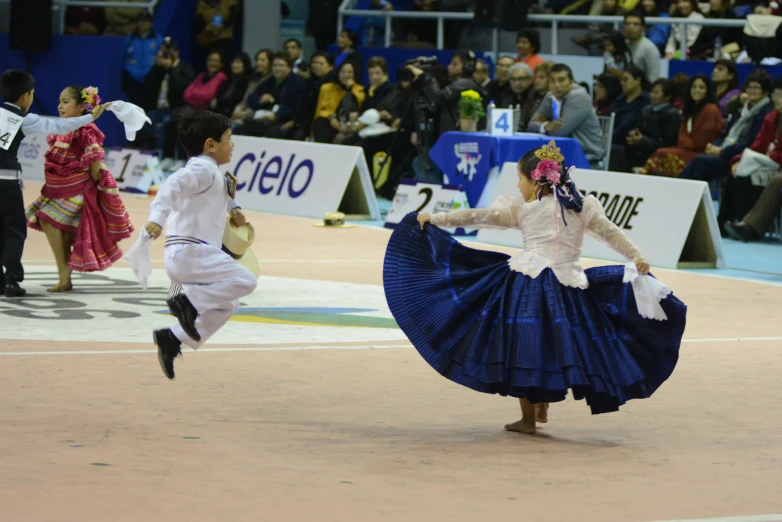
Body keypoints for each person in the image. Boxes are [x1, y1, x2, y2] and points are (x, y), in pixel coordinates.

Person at [383, 140, 686, 434]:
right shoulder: (581, 207)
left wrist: (435, 218)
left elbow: (477, 216)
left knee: (524, 346)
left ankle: (529, 416)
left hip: (527, 283)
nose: (517, 186)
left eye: (520, 179)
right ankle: (541, 403)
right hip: (568, 286)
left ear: (537, 182)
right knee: (556, 345)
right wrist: (636, 255)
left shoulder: (525, 209)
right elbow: (611, 233)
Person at [143, 109, 257, 379]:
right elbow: (171, 185)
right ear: (210, 145)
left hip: (186, 256)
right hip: (192, 252)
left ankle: (172, 338)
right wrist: (157, 218)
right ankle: (188, 302)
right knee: (246, 281)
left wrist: (234, 207)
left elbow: (219, 195)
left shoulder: (212, 172)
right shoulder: (201, 168)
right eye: (229, 138)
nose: (233, 144)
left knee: (227, 304)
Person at [0, 70, 110, 297]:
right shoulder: (23, 119)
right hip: (7, 182)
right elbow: (59, 126)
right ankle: (11, 281)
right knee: (13, 232)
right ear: (26, 96)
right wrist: (92, 116)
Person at [25, 86, 134, 292]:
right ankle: (64, 277)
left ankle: (64, 276)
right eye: (59, 101)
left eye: (66, 101)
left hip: (78, 190)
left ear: (82, 106)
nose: (60, 106)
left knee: (49, 219)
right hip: (58, 190)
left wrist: (95, 190)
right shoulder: (61, 130)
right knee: (55, 226)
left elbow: (95, 162)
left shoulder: (86, 130)